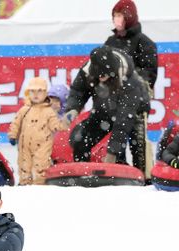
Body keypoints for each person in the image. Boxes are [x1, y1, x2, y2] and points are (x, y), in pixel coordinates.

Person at [64, 45, 150, 166]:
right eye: (98, 75)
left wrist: (112, 152)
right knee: (80, 141)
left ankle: (140, 180)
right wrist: (73, 108)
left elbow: (123, 121)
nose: (100, 77)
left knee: (138, 151)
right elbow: (78, 91)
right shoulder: (87, 71)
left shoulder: (130, 81)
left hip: (133, 113)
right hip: (103, 112)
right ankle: (83, 174)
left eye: (103, 74)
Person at [104, 0, 157, 179]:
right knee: (115, 144)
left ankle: (142, 177)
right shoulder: (110, 42)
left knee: (138, 145)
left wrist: (126, 80)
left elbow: (148, 74)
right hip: (113, 103)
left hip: (137, 104)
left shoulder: (145, 43)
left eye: (120, 16)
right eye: (115, 16)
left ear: (129, 18)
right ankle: (119, 176)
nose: (116, 20)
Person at [8, 77, 68, 185]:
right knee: (24, 165)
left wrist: (64, 125)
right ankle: (24, 183)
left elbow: (56, 125)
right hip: (24, 144)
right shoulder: (24, 110)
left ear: (45, 93)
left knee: (41, 165)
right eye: (32, 91)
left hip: (43, 144)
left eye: (39, 91)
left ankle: (40, 184)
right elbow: (16, 123)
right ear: (28, 93)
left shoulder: (49, 111)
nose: (36, 94)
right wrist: (13, 135)